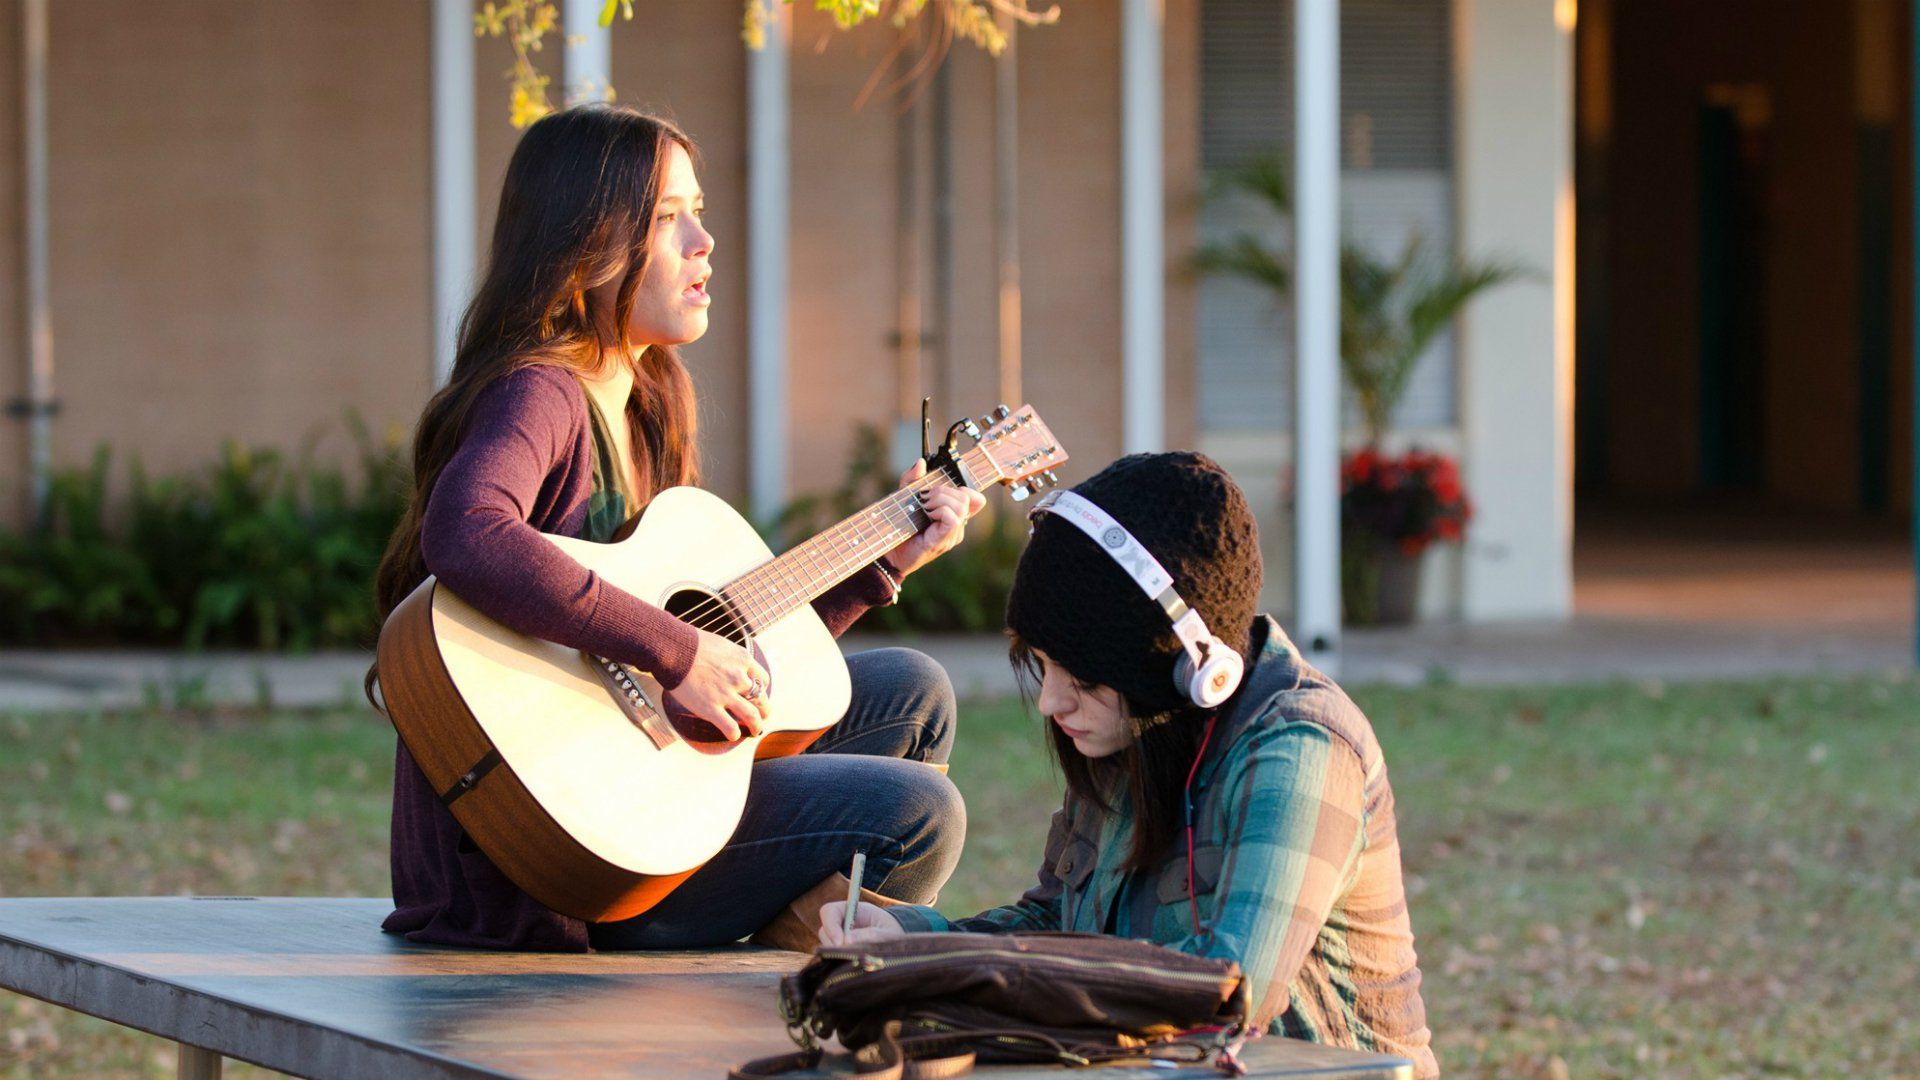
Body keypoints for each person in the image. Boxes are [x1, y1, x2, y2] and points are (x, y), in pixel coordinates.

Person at [369, 105, 982, 952]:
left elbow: (725, 648)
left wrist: (884, 565)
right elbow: (468, 529)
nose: (704, 240)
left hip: (641, 790)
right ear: (587, 245)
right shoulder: (543, 392)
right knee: (920, 812)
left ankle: (802, 931)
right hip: (555, 860)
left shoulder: (651, 405)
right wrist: (677, 653)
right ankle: (819, 961)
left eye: (697, 211)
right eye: (667, 218)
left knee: (912, 692)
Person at [820, 452, 1439, 1077]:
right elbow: (1053, 921)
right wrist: (913, 943)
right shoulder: (1127, 730)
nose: (1051, 701)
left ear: (1192, 673)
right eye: (1042, 664)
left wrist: (954, 978)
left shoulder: (1302, 751)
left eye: (1083, 679)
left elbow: (1224, 995)